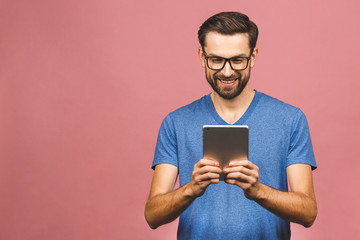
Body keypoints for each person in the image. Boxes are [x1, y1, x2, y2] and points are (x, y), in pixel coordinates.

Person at [145, 11, 317, 239]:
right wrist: (191, 189)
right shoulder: (176, 123)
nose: (227, 72)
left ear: (253, 56)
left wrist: (258, 191)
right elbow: (153, 216)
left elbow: (308, 212)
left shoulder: (290, 119)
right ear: (201, 55)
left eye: (237, 60)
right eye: (216, 60)